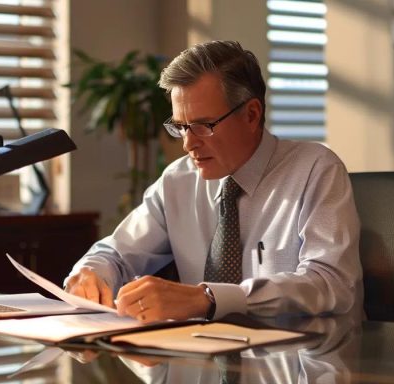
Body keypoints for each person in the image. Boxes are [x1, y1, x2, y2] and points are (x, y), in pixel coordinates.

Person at [64, 40, 361, 322]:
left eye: (203, 126)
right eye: (180, 127)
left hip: (301, 361)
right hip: (202, 362)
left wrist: (209, 298)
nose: (188, 144)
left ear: (251, 114)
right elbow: (116, 253)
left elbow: (331, 284)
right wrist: (92, 273)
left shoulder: (315, 169)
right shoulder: (178, 181)